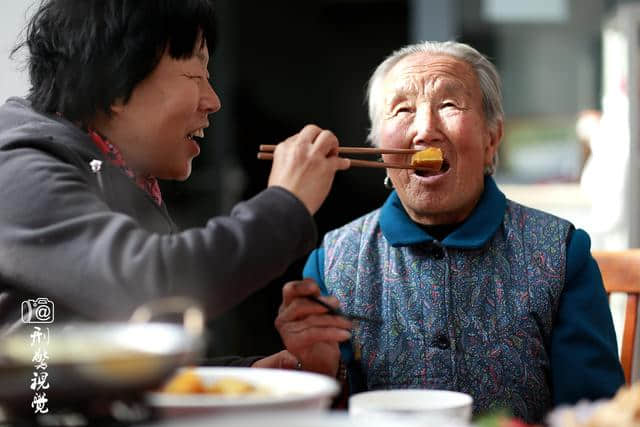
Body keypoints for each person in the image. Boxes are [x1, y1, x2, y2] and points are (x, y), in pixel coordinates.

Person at [275, 41, 625, 422]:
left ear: (492, 140)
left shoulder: (561, 253)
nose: (425, 130)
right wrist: (319, 370)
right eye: (403, 110)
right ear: (379, 151)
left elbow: (596, 413)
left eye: (449, 105)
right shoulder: (332, 261)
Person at [0, 0, 350, 369]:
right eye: (195, 77)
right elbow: (147, 286)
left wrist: (247, 374)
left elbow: (121, 362)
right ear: (117, 86)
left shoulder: (116, 171)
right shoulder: (20, 169)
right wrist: (285, 203)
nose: (213, 101)